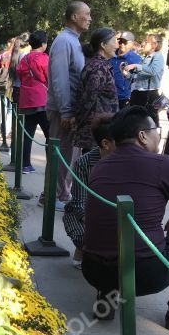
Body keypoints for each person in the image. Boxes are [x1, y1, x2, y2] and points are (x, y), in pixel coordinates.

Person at [82, 106, 169, 330]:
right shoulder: (161, 164)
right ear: (142, 136)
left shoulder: (99, 166)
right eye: (156, 130)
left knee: (112, 230)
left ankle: (106, 299)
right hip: (145, 274)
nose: (159, 136)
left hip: (93, 270)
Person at [45, 1, 91, 211]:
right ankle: (57, 196)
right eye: (86, 14)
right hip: (64, 111)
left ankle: (60, 193)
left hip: (71, 110)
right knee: (62, 154)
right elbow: (60, 79)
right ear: (74, 17)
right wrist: (66, 110)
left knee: (70, 155)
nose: (89, 19)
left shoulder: (73, 41)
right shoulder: (64, 41)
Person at [64, 115, 115, 269]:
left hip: (112, 214)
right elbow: (79, 203)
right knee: (90, 237)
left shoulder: (127, 162)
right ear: (105, 143)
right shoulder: (84, 163)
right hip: (84, 215)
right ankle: (84, 250)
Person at [72, 27, 119, 153]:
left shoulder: (100, 65)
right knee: (93, 169)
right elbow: (88, 99)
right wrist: (78, 122)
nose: (117, 45)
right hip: (95, 133)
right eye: (114, 41)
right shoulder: (99, 68)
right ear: (103, 45)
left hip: (99, 131)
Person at [16, 30, 49, 174]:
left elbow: (20, 75)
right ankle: (51, 165)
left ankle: (25, 165)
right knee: (50, 134)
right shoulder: (44, 58)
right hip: (42, 99)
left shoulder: (24, 59)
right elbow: (49, 77)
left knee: (27, 134)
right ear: (43, 44)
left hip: (26, 99)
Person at [125, 33, 165, 126]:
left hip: (148, 95)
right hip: (138, 94)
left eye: (146, 41)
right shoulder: (144, 59)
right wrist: (126, 74)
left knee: (148, 125)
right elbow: (137, 78)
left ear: (154, 45)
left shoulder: (157, 56)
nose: (143, 43)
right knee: (134, 124)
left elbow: (153, 71)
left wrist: (135, 65)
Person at [110, 31, 143, 107]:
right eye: (120, 41)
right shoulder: (110, 54)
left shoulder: (136, 59)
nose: (122, 44)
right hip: (108, 97)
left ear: (132, 44)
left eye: (125, 42)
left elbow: (138, 80)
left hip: (124, 99)